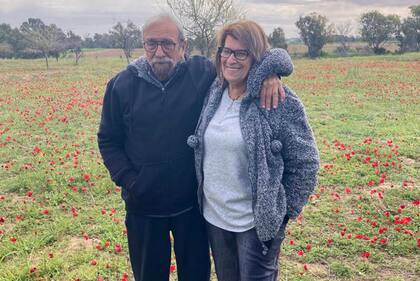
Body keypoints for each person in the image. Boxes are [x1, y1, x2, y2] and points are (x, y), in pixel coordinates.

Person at [97, 14, 291, 281]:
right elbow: (108, 139)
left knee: (196, 275)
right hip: (143, 206)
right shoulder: (122, 85)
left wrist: (270, 73)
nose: (159, 52)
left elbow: (248, 57)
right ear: (143, 45)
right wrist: (131, 181)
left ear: (183, 45)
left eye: (167, 43)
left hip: (192, 207)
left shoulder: (202, 73)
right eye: (151, 44)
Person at [187, 20, 320, 281]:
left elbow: (306, 163)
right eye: (226, 51)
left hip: (255, 225)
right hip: (215, 217)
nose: (231, 59)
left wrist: (282, 213)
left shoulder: (277, 98)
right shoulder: (215, 91)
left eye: (241, 53)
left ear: (256, 57)